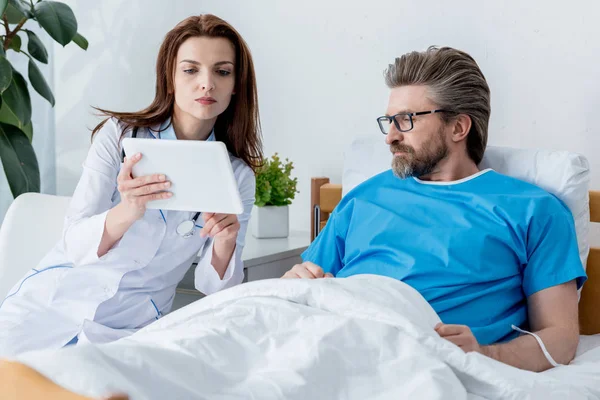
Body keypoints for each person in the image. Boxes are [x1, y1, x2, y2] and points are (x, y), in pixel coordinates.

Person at [283, 46, 587, 373]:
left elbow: (561, 336)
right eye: (389, 121)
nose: (390, 137)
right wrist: (294, 281)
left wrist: (484, 355)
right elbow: (304, 288)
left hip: (419, 361)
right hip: (328, 341)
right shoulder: (363, 198)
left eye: (406, 120)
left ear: (458, 128)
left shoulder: (534, 210)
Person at [0, 14, 263, 357]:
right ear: (170, 78)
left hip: (129, 333)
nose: (207, 84)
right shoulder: (119, 136)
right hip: (49, 309)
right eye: (190, 70)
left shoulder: (238, 176)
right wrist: (127, 211)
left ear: (236, 85)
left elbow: (214, 289)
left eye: (222, 71)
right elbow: (75, 242)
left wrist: (226, 242)